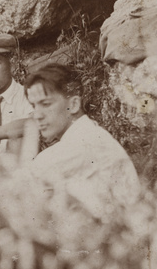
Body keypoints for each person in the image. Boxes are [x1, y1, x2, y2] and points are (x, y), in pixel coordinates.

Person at [21, 63, 140, 218]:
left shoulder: (84, 141)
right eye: (34, 106)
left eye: (46, 104)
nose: (37, 115)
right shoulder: (87, 133)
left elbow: (18, 183)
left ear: (74, 104)